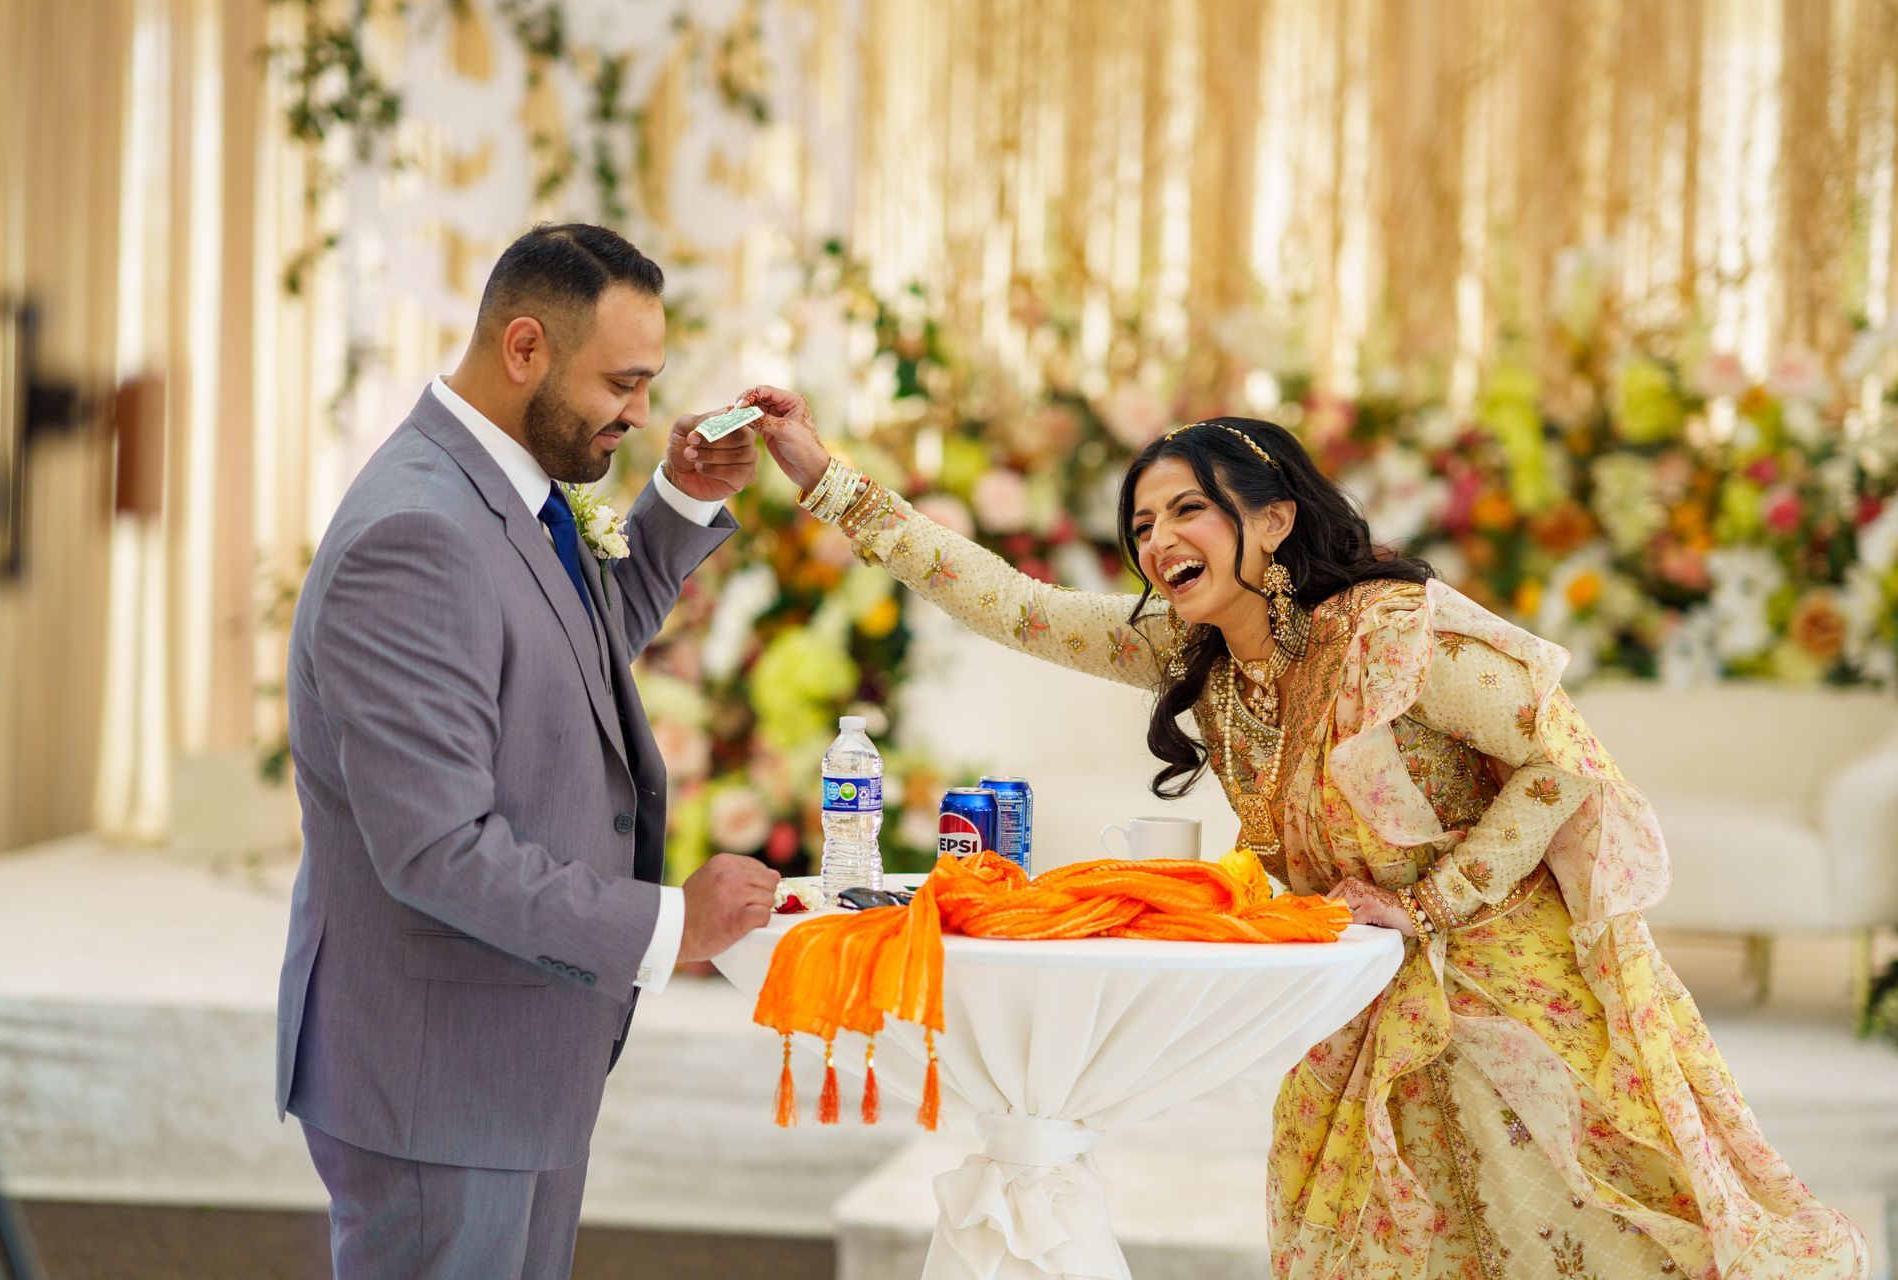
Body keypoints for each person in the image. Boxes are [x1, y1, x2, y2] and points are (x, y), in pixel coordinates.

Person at [743, 387, 1870, 1280]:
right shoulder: (1198, 658)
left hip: (1518, 997)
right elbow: (1003, 598)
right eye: (1142, 521)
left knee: (1578, 1237)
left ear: (1274, 516)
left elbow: (1562, 766)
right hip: (1366, 999)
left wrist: (1434, 903)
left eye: (1189, 507)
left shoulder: (1390, 633)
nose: (1159, 537)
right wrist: (826, 476)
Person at [275, 224, 781, 1280]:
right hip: (438, 1075)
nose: (639, 412)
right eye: (624, 382)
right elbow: (438, 850)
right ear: (523, 349)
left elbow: (570, 652)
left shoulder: (501, 488)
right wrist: (670, 923)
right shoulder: (416, 533)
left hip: (500, 1055)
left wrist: (682, 498)